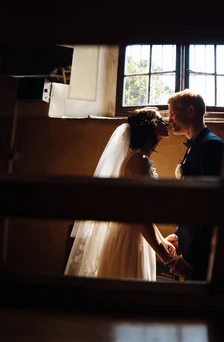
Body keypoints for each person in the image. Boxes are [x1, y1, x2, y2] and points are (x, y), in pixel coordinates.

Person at [65, 107, 177, 280]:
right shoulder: (138, 161)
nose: (166, 121)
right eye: (160, 119)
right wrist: (164, 255)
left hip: (138, 236)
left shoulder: (142, 160)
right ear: (150, 127)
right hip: (130, 240)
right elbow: (139, 215)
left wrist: (162, 240)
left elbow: (143, 211)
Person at [166, 90, 224, 280]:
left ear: (190, 110)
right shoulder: (194, 147)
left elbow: (212, 208)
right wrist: (179, 235)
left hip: (202, 258)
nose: (169, 120)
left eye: (172, 113)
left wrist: (191, 258)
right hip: (189, 246)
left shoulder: (211, 147)